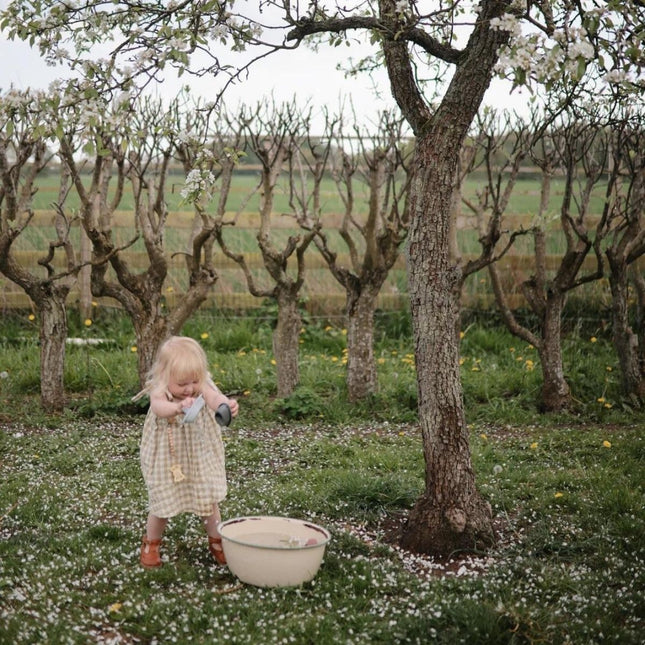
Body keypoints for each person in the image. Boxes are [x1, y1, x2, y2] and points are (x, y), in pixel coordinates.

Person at [133, 335, 239, 568]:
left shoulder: (200, 383)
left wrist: (226, 405)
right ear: (165, 376)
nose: (190, 389)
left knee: (208, 499)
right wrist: (177, 407)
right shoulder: (159, 387)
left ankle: (217, 541)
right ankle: (151, 542)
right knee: (162, 501)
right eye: (182, 384)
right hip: (168, 456)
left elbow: (213, 396)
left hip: (198, 452)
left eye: (194, 381)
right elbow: (159, 407)